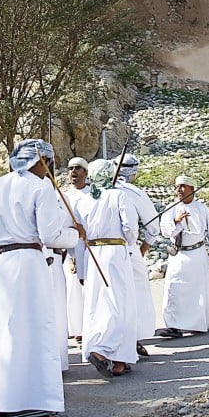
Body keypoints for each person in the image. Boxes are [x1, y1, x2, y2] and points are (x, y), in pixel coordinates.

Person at [0, 139, 84, 417]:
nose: (50, 168)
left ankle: (0, 402)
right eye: (48, 162)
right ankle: (35, 408)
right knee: (34, 333)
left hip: (0, 264)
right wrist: (75, 234)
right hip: (27, 264)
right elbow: (50, 235)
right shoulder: (41, 187)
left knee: (4, 334)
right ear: (40, 161)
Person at [80, 159, 138, 377]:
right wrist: (129, 241)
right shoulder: (118, 195)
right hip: (115, 250)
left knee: (97, 302)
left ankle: (106, 350)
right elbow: (130, 228)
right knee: (119, 302)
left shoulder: (85, 200)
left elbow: (80, 230)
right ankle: (107, 352)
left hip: (92, 253)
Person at [156, 175, 209, 337]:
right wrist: (176, 220)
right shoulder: (171, 208)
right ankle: (173, 326)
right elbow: (166, 232)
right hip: (178, 255)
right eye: (177, 187)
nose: (179, 190)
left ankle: (197, 324)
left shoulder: (202, 209)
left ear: (192, 189)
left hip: (197, 255)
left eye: (183, 186)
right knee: (174, 289)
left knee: (197, 290)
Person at [115, 153, 161, 359]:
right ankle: (132, 339)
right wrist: (143, 249)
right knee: (135, 294)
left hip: (96, 251)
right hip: (127, 249)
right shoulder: (134, 194)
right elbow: (153, 226)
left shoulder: (94, 190)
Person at [61, 157, 91, 343]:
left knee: (88, 289)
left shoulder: (93, 195)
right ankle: (75, 329)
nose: (74, 172)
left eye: (78, 168)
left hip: (89, 249)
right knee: (72, 290)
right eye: (71, 168)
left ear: (85, 173)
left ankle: (88, 327)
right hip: (70, 249)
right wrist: (70, 252)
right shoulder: (63, 196)